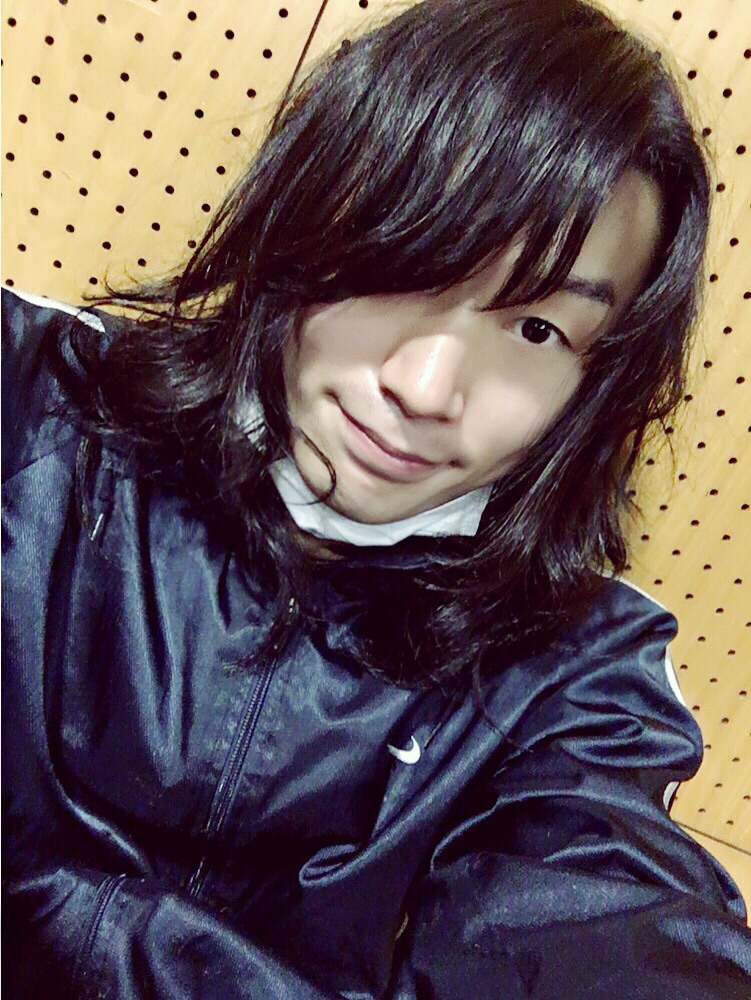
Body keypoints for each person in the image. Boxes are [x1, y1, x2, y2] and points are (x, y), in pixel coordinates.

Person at [3, 0, 751, 996]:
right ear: (307, 208)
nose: (426, 387)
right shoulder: (35, 397)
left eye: (536, 330)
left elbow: (609, 923)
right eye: (416, 261)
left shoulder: (578, 676)